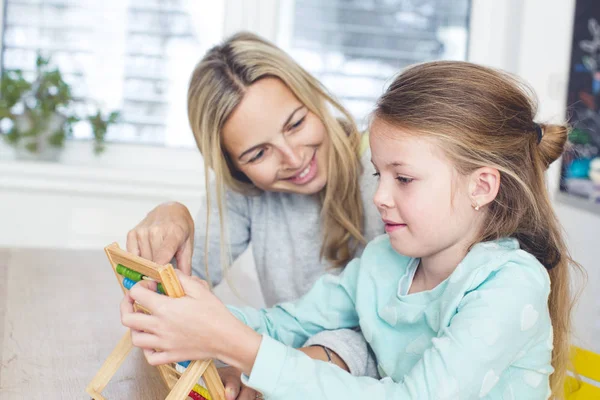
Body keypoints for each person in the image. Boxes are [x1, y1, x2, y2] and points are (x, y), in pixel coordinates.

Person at [121, 61, 578, 399]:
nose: (379, 195)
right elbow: (289, 324)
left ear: (482, 186)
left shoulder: (508, 284)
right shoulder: (384, 259)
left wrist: (236, 345)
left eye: (403, 178)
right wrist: (185, 311)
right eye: (378, 174)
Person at [125, 32, 383, 398]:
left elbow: (391, 336)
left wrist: (265, 365)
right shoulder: (245, 191)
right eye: (258, 154)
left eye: (295, 124)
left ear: (313, 98)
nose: (294, 159)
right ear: (235, 168)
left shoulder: (385, 172)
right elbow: (167, 297)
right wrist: (173, 216)